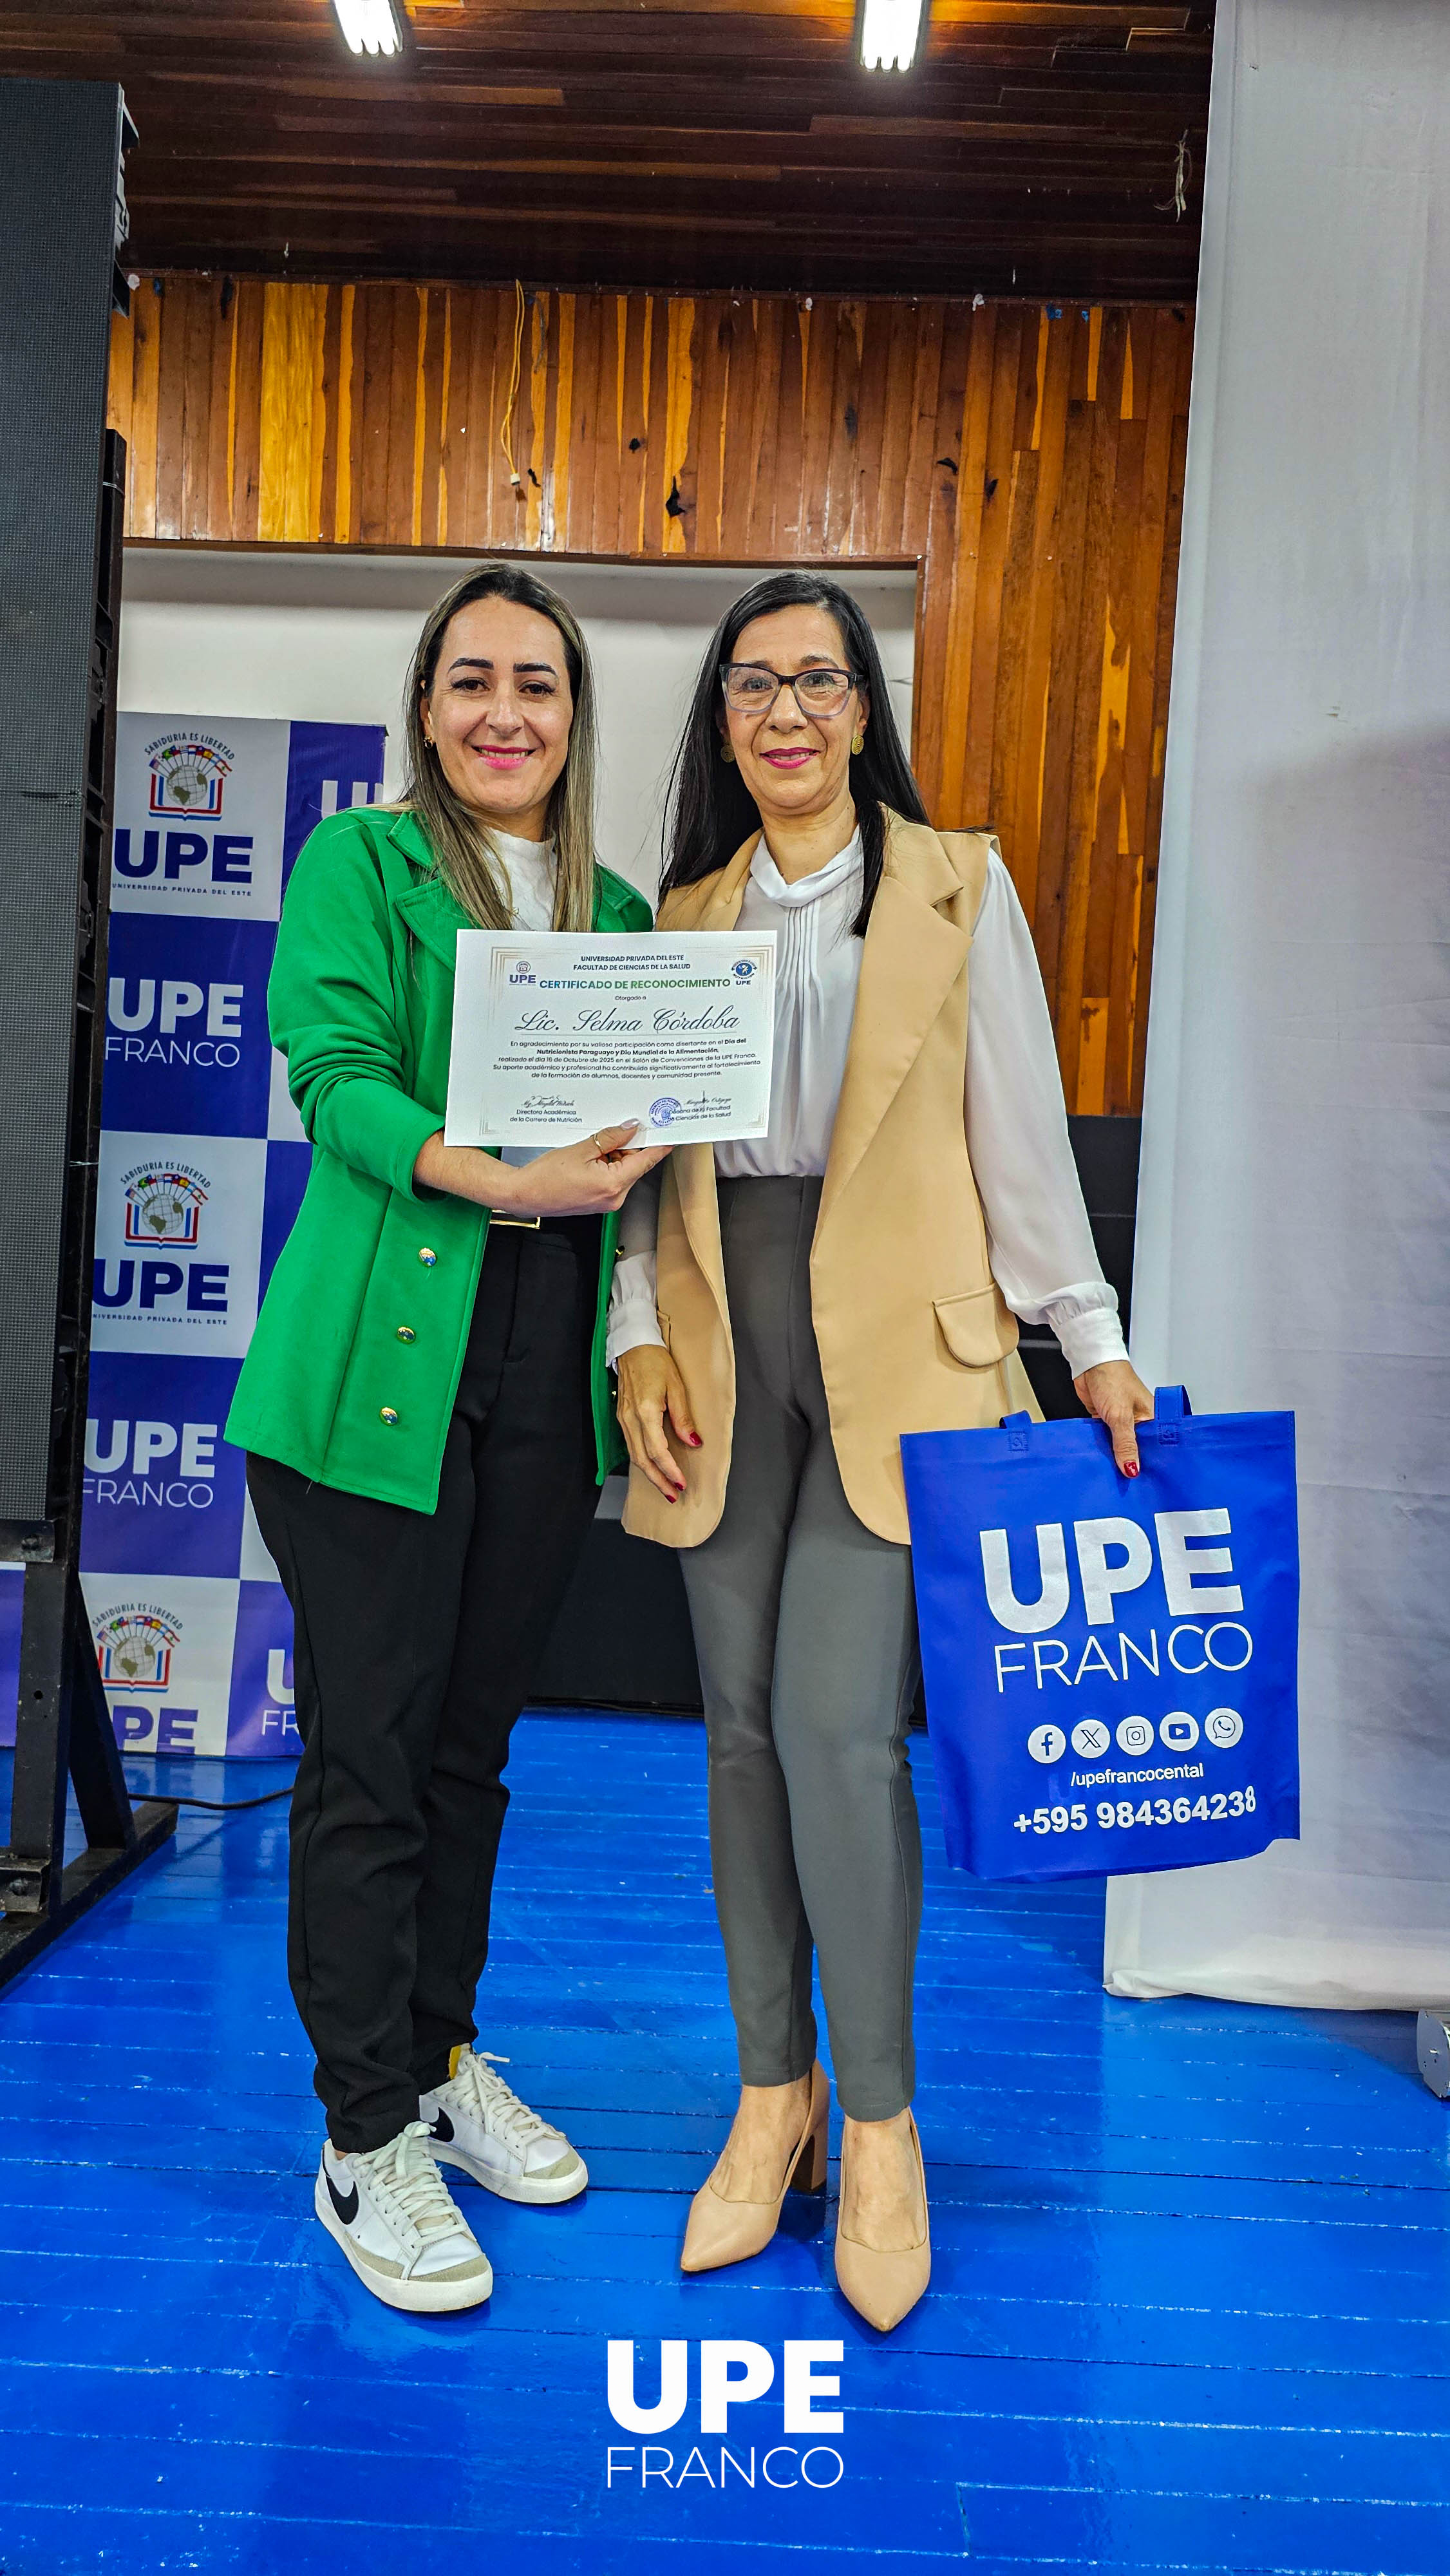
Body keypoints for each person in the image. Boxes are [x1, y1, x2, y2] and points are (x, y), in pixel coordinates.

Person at [611, 571, 1152, 2333]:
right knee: (742, 1738)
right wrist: (632, 1342)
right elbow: (634, 1176)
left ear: (861, 710)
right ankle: (768, 2099)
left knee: (843, 1737)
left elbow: (1020, 1133)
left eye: (817, 681)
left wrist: (1094, 1344)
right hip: (717, 1349)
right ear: (722, 717)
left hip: (905, 1361)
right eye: (753, 683)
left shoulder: (953, 880)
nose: (784, 711)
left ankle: (880, 2121)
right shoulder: (676, 913)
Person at [226, 564, 666, 2313]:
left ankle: (432, 2062)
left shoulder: (625, 911)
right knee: (369, 1759)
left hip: (540, 1378)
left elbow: (655, 1177)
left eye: (538, 686)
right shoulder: (363, 863)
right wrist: (510, 1180)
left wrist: (628, 1335)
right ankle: (358, 2145)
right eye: (472, 679)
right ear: (426, 708)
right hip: (367, 1387)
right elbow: (328, 1073)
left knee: (472, 1752)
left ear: (573, 715)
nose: (505, 713)